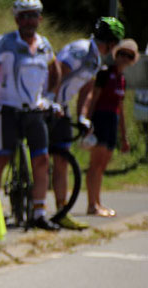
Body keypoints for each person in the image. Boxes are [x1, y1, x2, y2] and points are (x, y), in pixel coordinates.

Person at [0, 0, 61, 231]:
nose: (28, 21)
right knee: (0, 160)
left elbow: (55, 72)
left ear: (40, 19)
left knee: (42, 160)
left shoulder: (45, 45)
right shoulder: (4, 43)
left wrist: (51, 98)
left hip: (35, 110)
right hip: (7, 110)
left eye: (33, 16)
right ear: (17, 20)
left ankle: (39, 213)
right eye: (23, 16)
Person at [47, 17, 125, 230]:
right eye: (115, 43)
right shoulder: (81, 50)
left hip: (62, 107)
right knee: (42, 158)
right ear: (110, 42)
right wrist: (50, 101)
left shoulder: (96, 60)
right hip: (46, 104)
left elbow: (86, 91)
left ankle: (61, 210)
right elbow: (58, 71)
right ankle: (36, 209)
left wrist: (82, 116)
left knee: (62, 160)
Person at [85, 38, 140, 217]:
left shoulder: (121, 80)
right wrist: (88, 122)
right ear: (116, 55)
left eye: (129, 56)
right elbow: (94, 99)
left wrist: (123, 136)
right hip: (100, 118)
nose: (125, 58)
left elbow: (121, 108)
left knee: (103, 165)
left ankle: (98, 202)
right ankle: (91, 204)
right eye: (122, 54)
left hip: (113, 120)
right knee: (95, 163)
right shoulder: (104, 73)